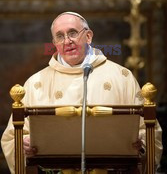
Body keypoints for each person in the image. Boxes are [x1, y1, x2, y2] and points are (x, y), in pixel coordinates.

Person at [1, 11, 162, 173]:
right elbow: (11, 138)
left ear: (89, 36)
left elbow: (149, 130)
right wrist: (23, 143)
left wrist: (142, 144)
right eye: (60, 36)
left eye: (72, 33)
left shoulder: (121, 77)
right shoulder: (36, 83)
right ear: (54, 43)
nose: (67, 41)